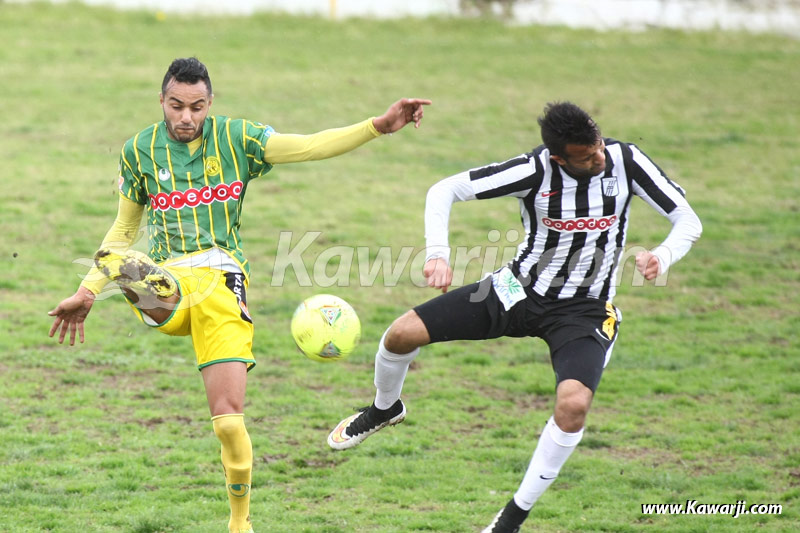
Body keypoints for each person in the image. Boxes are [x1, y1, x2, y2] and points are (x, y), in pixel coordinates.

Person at [47, 57, 431, 533]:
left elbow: (309, 146)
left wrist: (378, 126)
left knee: (229, 422)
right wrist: (88, 291)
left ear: (210, 104)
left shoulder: (237, 138)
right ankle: (149, 287)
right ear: (162, 102)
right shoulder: (139, 151)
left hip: (223, 285)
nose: (186, 117)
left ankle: (239, 523)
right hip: (167, 285)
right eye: (176, 106)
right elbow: (125, 228)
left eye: (197, 106)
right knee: (115, 258)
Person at [327, 101, 702, 532]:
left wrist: (663, 256)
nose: (599, 159)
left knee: (574, 404)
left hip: (584, 310)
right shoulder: (535, 170)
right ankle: (383, 410)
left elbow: (687, 220)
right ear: (559, 158)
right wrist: (437, 255)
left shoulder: (626, 161)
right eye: (587, 157)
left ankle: (511, 518)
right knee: (400, 335)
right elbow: (444, 190)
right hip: (516, 289)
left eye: (599, 147)